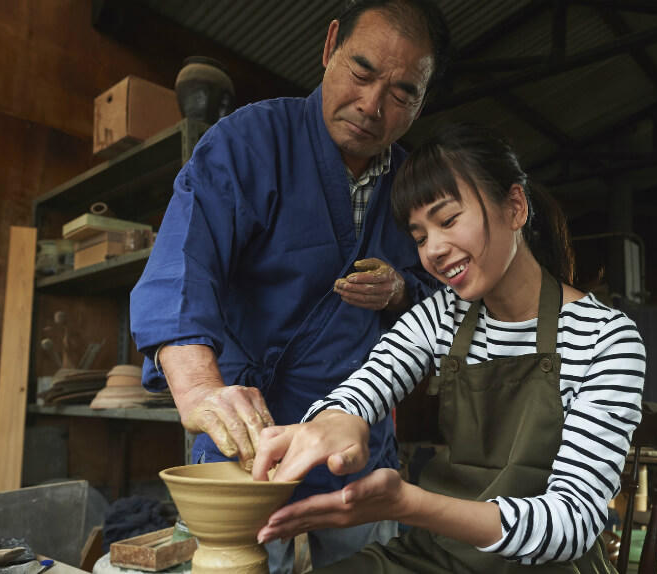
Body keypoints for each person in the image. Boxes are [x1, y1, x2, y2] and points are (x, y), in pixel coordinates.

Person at [128, 0, 450, 569]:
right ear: (329, 49)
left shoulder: (414, 186)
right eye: (361, 71)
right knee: (236, 560)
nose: (372, 106)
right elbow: (182, 266)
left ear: (422, 102)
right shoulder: (247, 143)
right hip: (248, 433)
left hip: (356, 438)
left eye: (402, 93)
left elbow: (448, 298)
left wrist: (402, 290)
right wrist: (202, 390)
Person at [252, 124, 647, 573]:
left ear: (514, 207)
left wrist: (409, 505)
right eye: (419, 237)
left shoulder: (606, 337)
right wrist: (339, 418)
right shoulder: (443, 314)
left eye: (448, 219)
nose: (433, 250)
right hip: (443, 556)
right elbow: (369, 384)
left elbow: (572, 523)